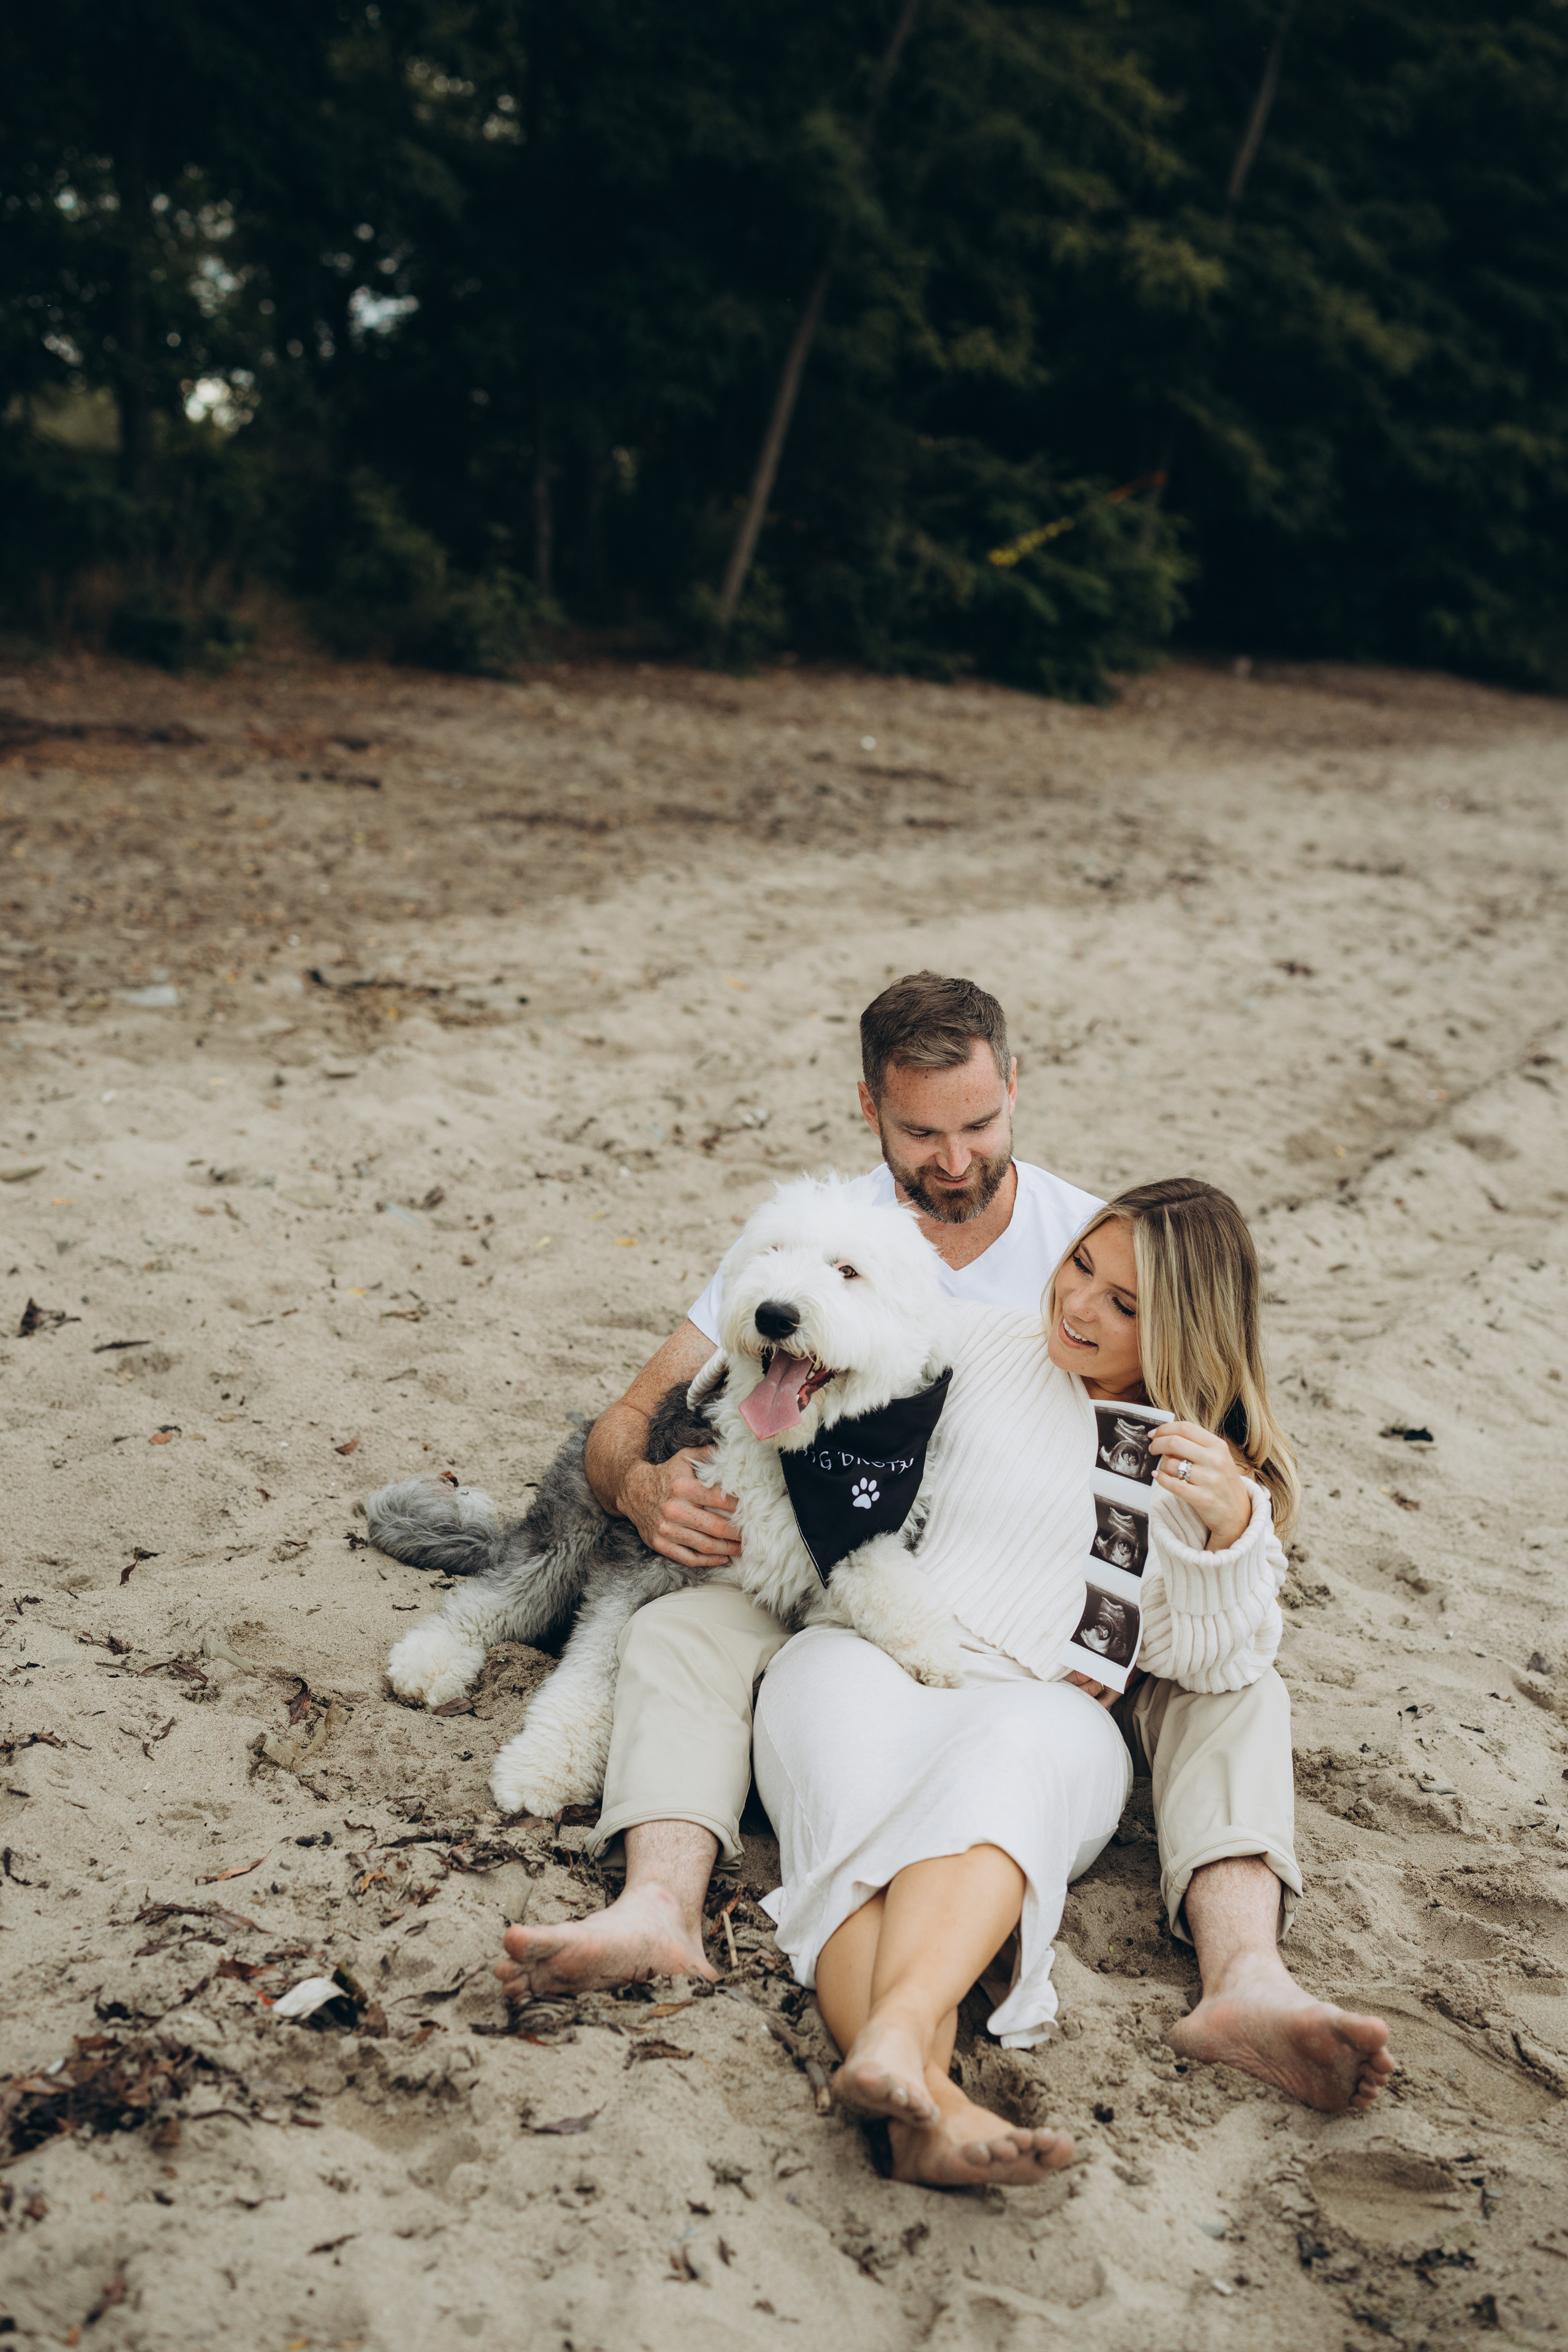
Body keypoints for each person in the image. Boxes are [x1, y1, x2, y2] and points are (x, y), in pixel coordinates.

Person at [495, 974, 1394, 2120]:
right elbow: (652, 1404)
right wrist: (637, 1482)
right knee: (687, 1626)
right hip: (863, 1596)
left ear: (1015, 1090)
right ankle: (673, 1912)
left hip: (1049, 1660)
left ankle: (1246, 1978)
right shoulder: (845, 1246)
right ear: (870, 1110)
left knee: (1240, 1693)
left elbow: (1212, 1547)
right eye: (924, 1132)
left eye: (980, 1125)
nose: (957, 1160)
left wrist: (1231, 1526)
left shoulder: (1105, 1274)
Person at [752, 1181, 1392, 2188]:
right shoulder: (979, 1343)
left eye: (1125, 1304)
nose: (1079, 1305)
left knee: (1005, 1774)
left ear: (1187, 1331)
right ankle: (930, 2093)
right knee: (849, 1813)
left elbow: (1220, 1670)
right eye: (1082, 1266)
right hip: (869, 1653)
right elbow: (818, 1323)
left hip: (1043, 1706)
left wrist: (1229, 1535)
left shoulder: (1199, 1468)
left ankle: (898, 2043)